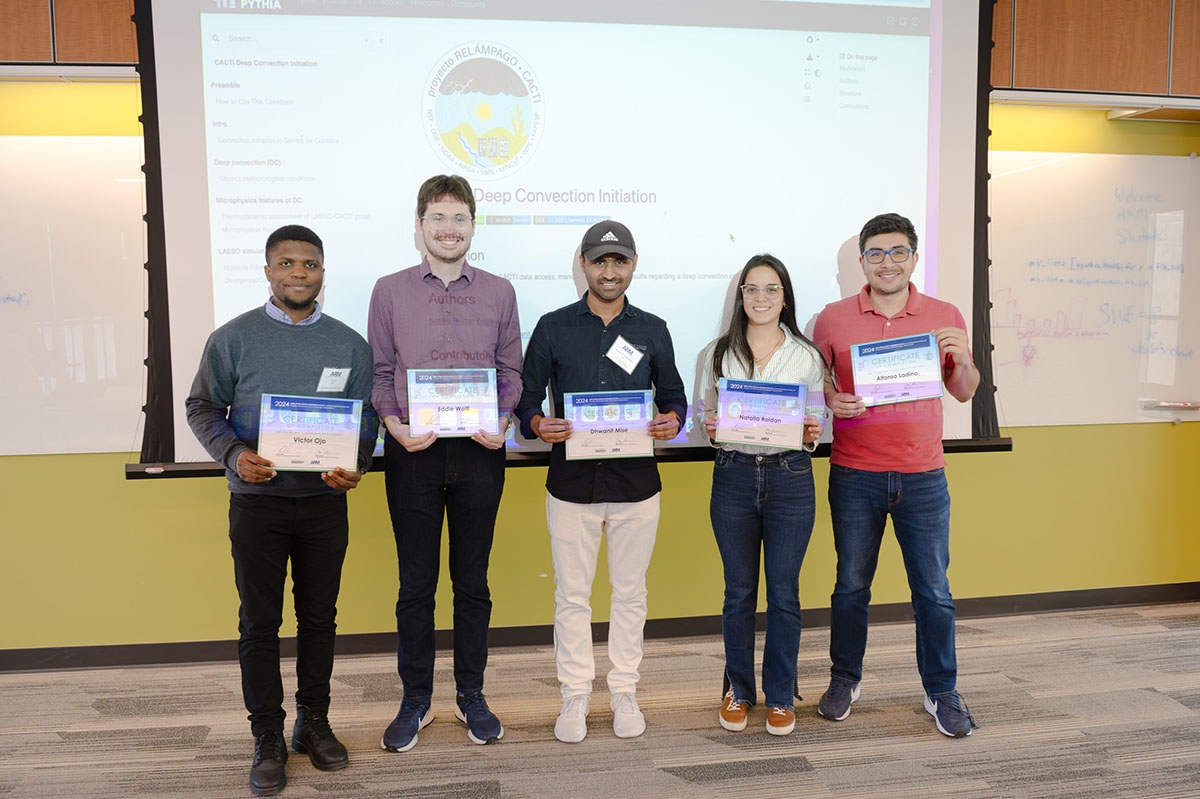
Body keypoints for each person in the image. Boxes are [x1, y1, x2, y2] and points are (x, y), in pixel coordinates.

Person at [186, 224, 377, 796]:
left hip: (323, 505)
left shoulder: (350, 344)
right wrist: (234, 454)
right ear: (268, 270)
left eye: (310, 265)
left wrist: (358, 464)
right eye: (287, 264)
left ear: (323, 273)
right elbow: (201, 407)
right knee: (259, 623)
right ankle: (266, 734)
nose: (299, 273)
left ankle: (312, 724)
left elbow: (364, 419)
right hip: (257, 505)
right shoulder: (232, 338)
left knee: (320, 620)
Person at [515, 220, 686, 743]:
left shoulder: (653, 328)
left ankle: (624, 690)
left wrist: (673, 421)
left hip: (637, 485)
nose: (609, 272)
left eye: (620, 261)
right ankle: (575, 696)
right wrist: (538, 424)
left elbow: (674, 396)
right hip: (571, 486)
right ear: (583, 264)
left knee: (630, 593)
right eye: (599, 261)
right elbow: (525, 401)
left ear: (633, 265)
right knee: (572, 595)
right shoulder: (552, 326)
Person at [811, 212, 981, 738]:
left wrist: (962, 357)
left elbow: (965, 389)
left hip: (924, 474)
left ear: (913, 257)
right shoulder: (832, 319)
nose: (888, 263)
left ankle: (941, 690)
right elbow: (815, 388)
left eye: (898, 252)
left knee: (933, 591)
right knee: (850, 586)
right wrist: (831, 400)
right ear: (862, 261)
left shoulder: (944, 313)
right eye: (877, 253)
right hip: (854, 472)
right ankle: (845, 679)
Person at [369, 174, 522, 752]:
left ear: (473, 227)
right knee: (415, 586)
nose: (449, 229)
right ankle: (415, 701)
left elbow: (511, 369)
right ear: (419, 227)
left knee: (473, 583)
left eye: (460, 218)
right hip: (415, 454)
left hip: (481, 453)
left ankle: (470, 695)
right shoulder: (389, 291)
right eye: (438, 218)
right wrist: (393, 427)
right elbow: (382, 371)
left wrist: (504, 419)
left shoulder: (500, 292)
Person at [696, 255, 825, 736]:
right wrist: (711, 426)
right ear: (741, 296)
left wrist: (813, 429)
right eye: (752, 289)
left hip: (790, 477)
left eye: (772, 289)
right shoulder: (716, 353)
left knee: (785, 593)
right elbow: (705, 418)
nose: (762, 298)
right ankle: (738, 689)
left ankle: (780, 693)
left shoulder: (808, 356)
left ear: (785, 297)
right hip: (732, 475)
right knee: (738, 593)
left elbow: (815, 423)